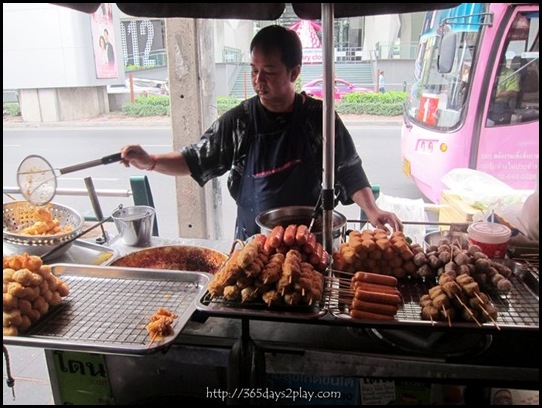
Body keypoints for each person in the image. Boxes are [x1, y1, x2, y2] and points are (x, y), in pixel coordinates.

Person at [121, 25, 403, 240]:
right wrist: (152, 162)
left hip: (311, 242)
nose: (258, 80)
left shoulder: (318, 118)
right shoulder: (240, 121)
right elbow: (195, 159)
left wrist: (372, 210)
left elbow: (349, 169)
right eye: (254, 70)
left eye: (268, 71)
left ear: (293, 73)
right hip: (255, 242)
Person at [488, 55, 519, 124]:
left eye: (501, 61)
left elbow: (513, 91)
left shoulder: (510, 73)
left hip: (499, 103)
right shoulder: (485, 71)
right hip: (482, 102)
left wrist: (496, 95)